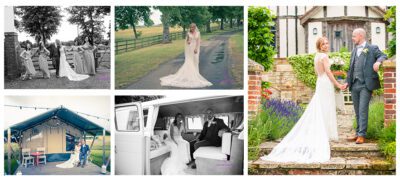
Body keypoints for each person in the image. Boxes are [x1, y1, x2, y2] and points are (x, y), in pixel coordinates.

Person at [261, 37, 345, 163]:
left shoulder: (317, 56)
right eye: (323, 44)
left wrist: (335, 73)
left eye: (327, 43)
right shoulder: (324, 57)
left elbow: (319, 73)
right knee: (325, 107)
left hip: (320, 82)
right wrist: (338, 84)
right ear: (319, 46)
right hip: (325, 83)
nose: (326, 45)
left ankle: (323, 131)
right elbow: (328, 72)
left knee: (321, 106)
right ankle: (324, 133)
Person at [344, 28, 387, 144]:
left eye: (353, 36)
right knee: (357, 111)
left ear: (360, 36)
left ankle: (362, 135)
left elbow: (383, 56)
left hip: (365, 85)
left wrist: (378, 62)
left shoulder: (372, 48)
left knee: (363, 109)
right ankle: (358, 132)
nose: (352, 39)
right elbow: (351, 68)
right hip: (354, 85)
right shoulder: (354, 51)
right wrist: (347, 82)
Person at [160, 23, 212, 88]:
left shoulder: (198, 33)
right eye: (191, 27)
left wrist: (196, 48)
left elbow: (198, 41)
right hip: (190, 49)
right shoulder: (188, 34)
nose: (191, 29)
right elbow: (187, 42)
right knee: (190, 61)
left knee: (196, 60)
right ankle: (191, 75)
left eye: (193, 27)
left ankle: (196, 73)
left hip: (196, 48)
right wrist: (188, 42)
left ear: (195, 27)